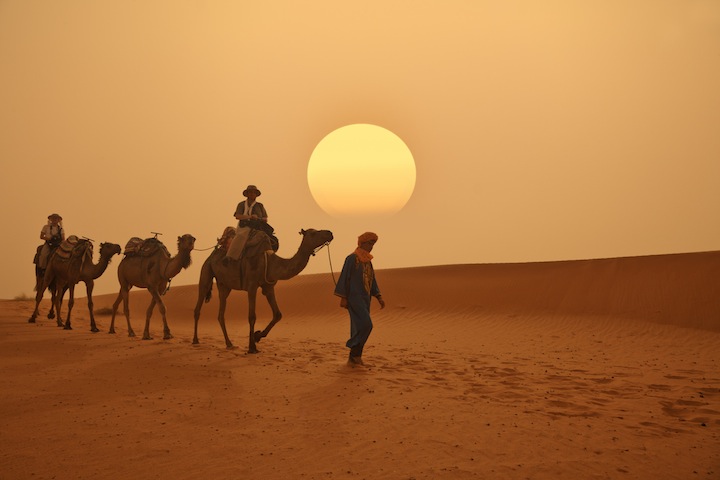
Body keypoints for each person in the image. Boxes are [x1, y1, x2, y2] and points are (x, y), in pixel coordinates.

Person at [334, 232, 385, 366]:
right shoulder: (352, 259)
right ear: (362, 243)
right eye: (369, 243)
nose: (371, 246)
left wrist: (378, 296)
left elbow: (372, 279)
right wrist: (343, 297)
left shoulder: (367, 261)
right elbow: (345, 277)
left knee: (359, 326)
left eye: (373, 244)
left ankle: (355, 357)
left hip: (365, 299)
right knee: (366, 325)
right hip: (354, 298)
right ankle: (353, 350)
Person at [225, 185, 269, 262]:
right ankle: (230, 257)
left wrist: (258, 218)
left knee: (269, 238)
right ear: (247, 194)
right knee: (240, 236)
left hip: (257, 227)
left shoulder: (260, 206)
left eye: (254, 192)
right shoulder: (241, 204)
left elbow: (265, 218)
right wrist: (249, 217)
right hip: (244, 227)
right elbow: (237, 216)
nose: (252, 194)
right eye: (250, 192)